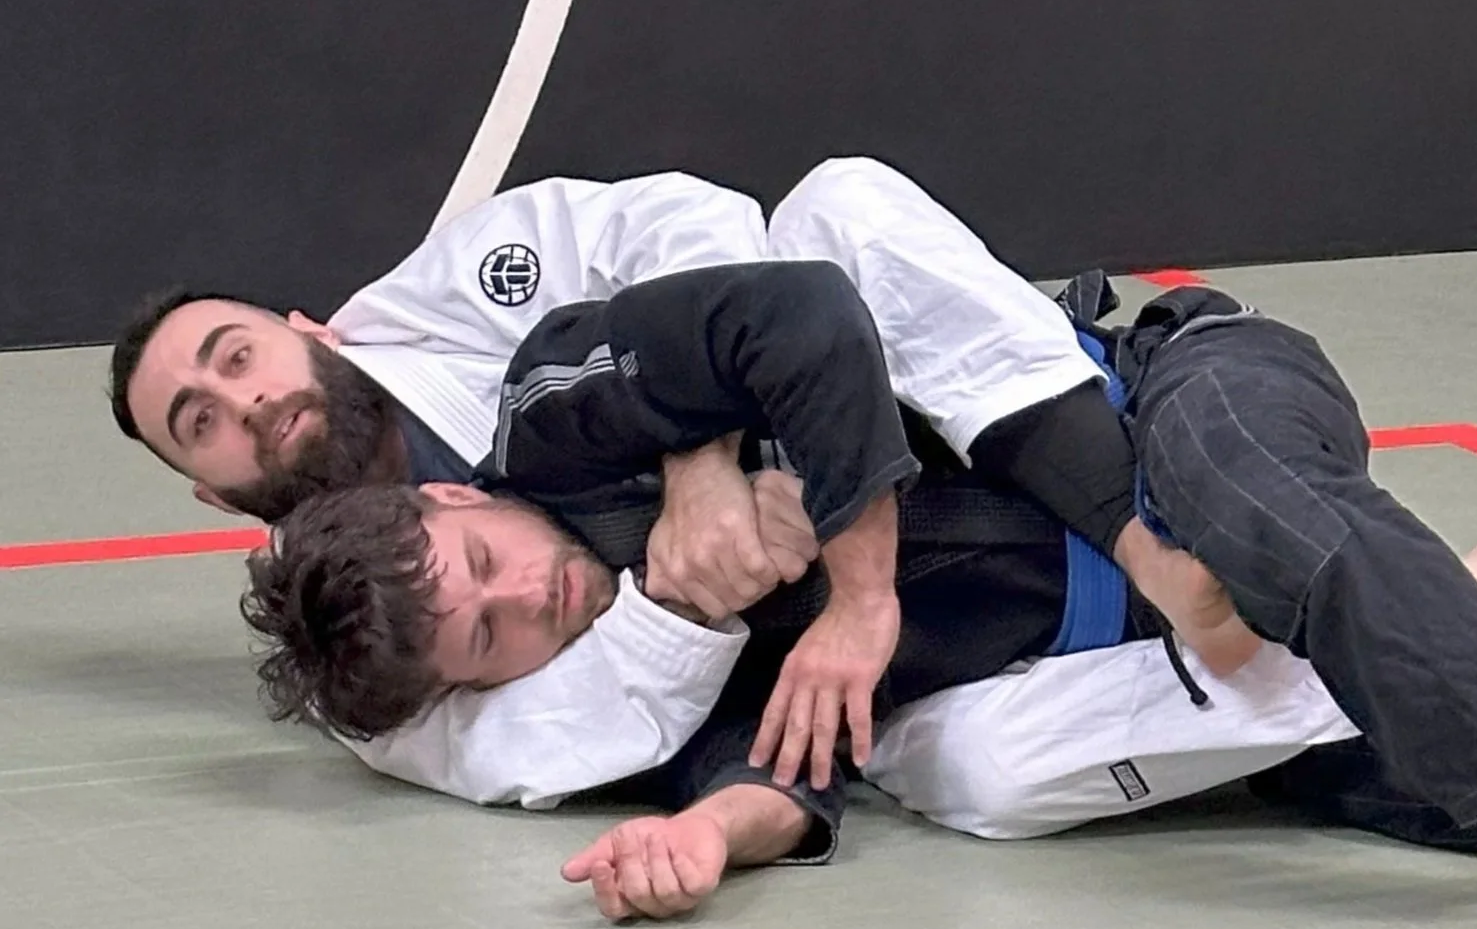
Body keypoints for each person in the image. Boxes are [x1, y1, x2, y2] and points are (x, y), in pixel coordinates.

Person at [241, 240, 1477, 929]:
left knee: (1250, 509)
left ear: (458, 495)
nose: (526, 597)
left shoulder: (578, 412)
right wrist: (714, 844)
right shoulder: (629, 678)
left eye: (483, 565)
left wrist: (826, 562)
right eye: (490, 636)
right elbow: (789, 767)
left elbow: (801, 305)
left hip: (1169, 399)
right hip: (1176, 676)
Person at [108, 158, 1247, 801]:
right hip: (813, 646)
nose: (247, 403)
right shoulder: (349, 646)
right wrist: (680, 601)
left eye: (237, 355)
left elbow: (705, 226)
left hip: (840, 424)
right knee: (968, 778)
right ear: (212, 495)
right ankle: (1275, 685)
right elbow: (543, 741)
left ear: (305, 328)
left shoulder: (456, 290)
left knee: (834, 210)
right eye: (198, 420)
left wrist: (694, 455)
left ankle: (1109, 436)